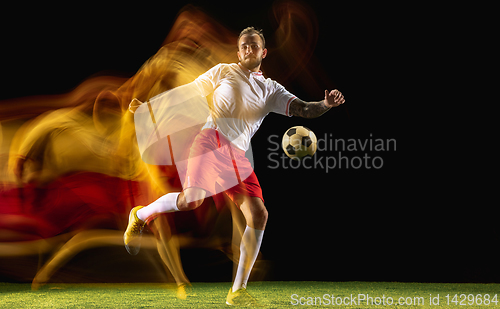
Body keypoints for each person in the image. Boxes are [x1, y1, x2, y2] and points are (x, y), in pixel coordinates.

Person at [124, 27, 345, 306]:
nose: (248, 50)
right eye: (243, 46)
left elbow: (302, 109)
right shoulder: (223, 72)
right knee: (192, 201)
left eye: (254, 46)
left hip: (238, 156)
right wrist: (150, 108)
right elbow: (188, 93)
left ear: (263, 52)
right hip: (210, 141)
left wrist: (325, 103)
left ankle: (237, 292)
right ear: (238, 51)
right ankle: (141, 216)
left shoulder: (271, 89)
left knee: (258, 214)